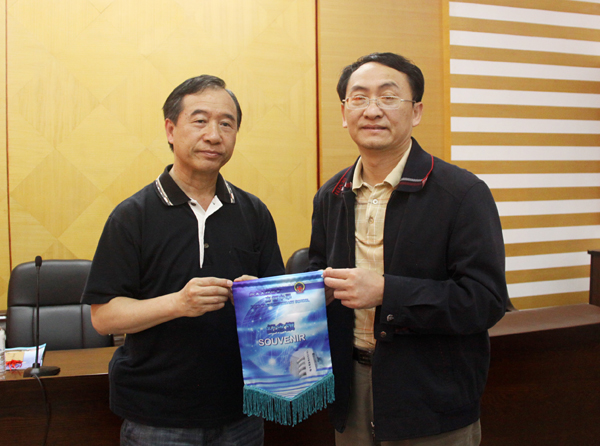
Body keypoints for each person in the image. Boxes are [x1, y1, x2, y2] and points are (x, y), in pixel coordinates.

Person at [309, 52, 509, 445]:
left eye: (388, 97)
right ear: (344, 112)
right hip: (350, 387)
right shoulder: (331, 194)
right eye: (359, 98)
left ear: (416, 111)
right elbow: (319, 272)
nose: (372, 110)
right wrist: (273, 295)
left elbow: (485, 301)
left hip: (431, 395)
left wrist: (387, 291)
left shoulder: (462, 193)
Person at [82, 75, 284, 446]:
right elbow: (104, 317)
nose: (214, 135)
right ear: (171, 130)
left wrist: (261, 298)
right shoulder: (133, 216)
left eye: (226, 124)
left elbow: (278, 308)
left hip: (242, 411)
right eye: (200, 120)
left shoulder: (254, 212)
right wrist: (179, 303)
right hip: (157, 416)